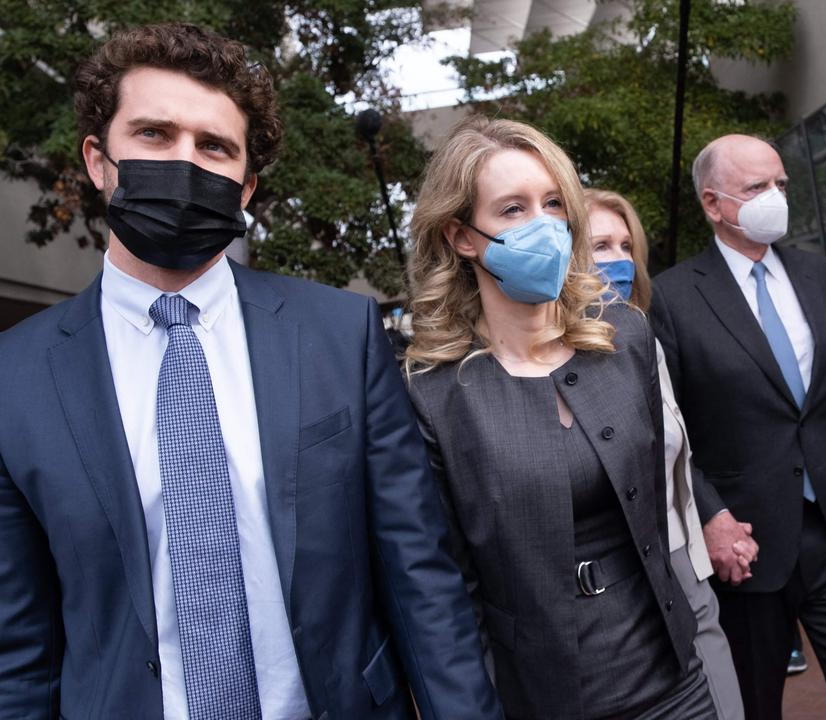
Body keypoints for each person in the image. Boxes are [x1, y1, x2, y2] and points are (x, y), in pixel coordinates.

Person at [0, 24, 500, 720]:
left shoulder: (339, 336)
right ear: (97, 159)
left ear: (245, 185)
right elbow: (17, 648)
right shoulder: (14, 380)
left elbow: (421, 578)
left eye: (214, 147)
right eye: (153, 134)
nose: (185, 162)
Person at [403, 116, 715, 719]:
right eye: (512, 210)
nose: (543, 225)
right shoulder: (433, 393)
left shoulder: (623, 337)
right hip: (544, 698)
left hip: (673, 676)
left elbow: (652, 504)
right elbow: (448, 588)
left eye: (553, 203)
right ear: (462, 236)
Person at [649, 133, 826, 720]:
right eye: (756, 187)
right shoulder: (671, 298)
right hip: (744, 547)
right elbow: (667, 428)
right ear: (713, 204)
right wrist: (711, 516)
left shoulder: (822, 275)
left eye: (780, 184)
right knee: (752, 706)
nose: (776, 197)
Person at [586, 187, 749, 719]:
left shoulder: (640, 337)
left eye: (626, 245)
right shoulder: (555, 361)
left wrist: (709, 521)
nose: (619, 260)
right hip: (624, 587)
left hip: (685, 565)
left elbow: (676, 450)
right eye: (600, 246)